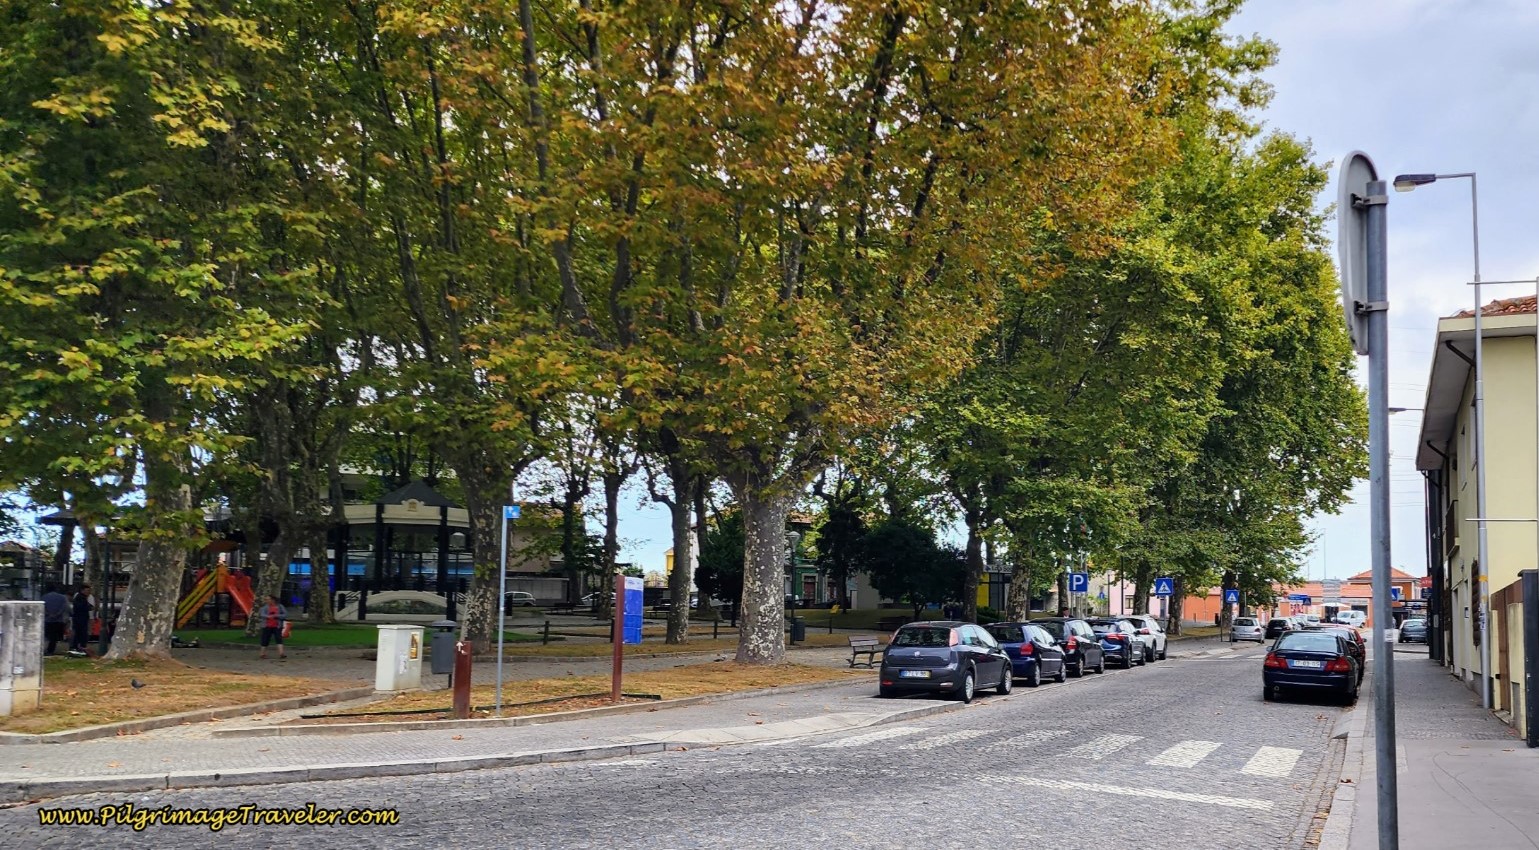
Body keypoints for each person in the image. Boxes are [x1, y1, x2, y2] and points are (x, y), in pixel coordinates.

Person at [256, 594, 287, 660]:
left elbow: (285, 614)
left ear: (273, 600)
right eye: (266, 599)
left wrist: (277, 616)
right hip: (267, 625)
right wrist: (268, 616)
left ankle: (281, 653)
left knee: (279, 638)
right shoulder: (264, 607)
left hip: (277, 626)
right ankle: (262, 653)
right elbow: (262, 614)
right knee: (265, 639)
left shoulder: (280, 607)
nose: (266, 601)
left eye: (268, 599)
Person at [42, 583, 69, 655]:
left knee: (47, 635)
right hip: (58, 620)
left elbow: (42, 607)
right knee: (54, 637)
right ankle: (51, 650)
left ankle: (45, 649)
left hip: (47, 620)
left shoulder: (44, 597)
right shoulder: (62, 597)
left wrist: (49, 614)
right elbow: (64, 608)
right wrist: (57, 614)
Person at [69, 583, 95, 654]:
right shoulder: (80, 598)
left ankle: (77, 646)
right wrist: (88, 608)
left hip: (80, 618)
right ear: (82, 590)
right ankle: (79, 647)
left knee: (79, 633)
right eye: (87, 590)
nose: (88, 592)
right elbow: (83, 607)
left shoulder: (81, 597)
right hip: (80, 619)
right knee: (80, 633)